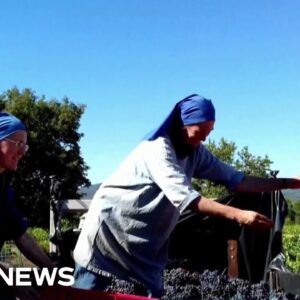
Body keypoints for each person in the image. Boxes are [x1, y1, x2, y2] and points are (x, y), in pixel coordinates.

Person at [73, 94, 300, 298]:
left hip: (144, 244)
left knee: (151, 293)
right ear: (183, 125)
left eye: (208, 133)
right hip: (110, 233)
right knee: (87, 292)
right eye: (199, 132)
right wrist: (240, 215)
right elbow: (187, 199)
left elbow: (238, 180)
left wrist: (291, 182)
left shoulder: (195, 152)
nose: (204, 139)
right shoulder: (157, 149)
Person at [0, 112, 54, 300]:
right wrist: (9, 281)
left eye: (25, 146)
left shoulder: (3, 187)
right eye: (18, 144)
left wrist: (52, 270)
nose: (23, 152)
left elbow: (20, 234)